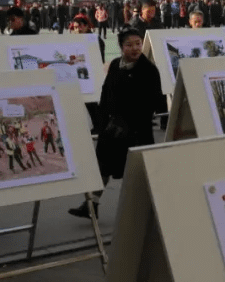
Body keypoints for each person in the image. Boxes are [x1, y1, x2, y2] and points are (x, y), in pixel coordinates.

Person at [69, 28, 165, 219]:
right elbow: (105, 94)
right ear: (121, 47)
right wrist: (103, 121)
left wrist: (129, 122)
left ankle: (151, 211)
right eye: (129, 45)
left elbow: (153, 102)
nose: (135, 48)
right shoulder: (115, 65)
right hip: (112, 130)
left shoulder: (149, 70)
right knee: (103, 167)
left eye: (138, 44)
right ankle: (91, 205)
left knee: (138, 174)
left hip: (136, 132)